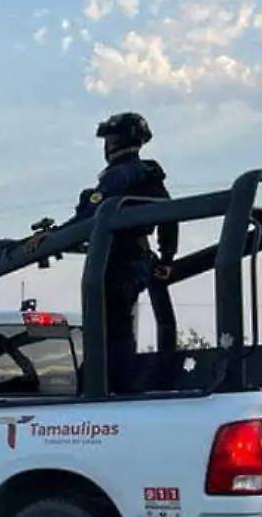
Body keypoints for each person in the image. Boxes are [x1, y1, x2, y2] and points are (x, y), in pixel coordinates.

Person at [61, 111, 177, 394]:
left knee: (107, 330)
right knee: (120, 326)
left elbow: (91, 216)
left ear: (113, 142)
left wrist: (54, 237)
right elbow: (170, 215)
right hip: (139, 261)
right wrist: (166, 257)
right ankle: (120, 383)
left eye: (108, 139)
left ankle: (105, 386)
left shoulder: (117, 176)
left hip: (115, 261)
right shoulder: (149, 174)